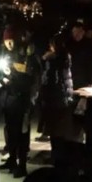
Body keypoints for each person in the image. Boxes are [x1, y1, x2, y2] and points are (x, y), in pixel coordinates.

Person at [2, 28, 41, 178]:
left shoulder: (26, 54)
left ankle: (22, 164)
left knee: (22, 132)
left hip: (23, 98)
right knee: (11, 131)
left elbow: (31, 76)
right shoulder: (7, 54)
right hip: (10, 97)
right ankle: (12, 160)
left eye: (11, 40)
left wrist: (14, 73)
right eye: (6, 41)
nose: (9, 43)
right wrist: (4, 77)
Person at [38, 34, 79, 170]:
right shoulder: (66, 58)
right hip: (63, 98)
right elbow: (67, 79)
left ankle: (56, 157)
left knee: (54, 130)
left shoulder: (52, 60)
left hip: (53, 98)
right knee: (60, 130)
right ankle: (59, 157)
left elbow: (48, 80)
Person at [67, 21, 92, 90]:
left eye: (78, 32)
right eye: (74, 32)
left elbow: (91, 63)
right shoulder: (68, 44)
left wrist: (91, 80)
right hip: (71, 76)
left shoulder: (89, 45)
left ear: (83, 32)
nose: (76, 34)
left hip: (83, 77)